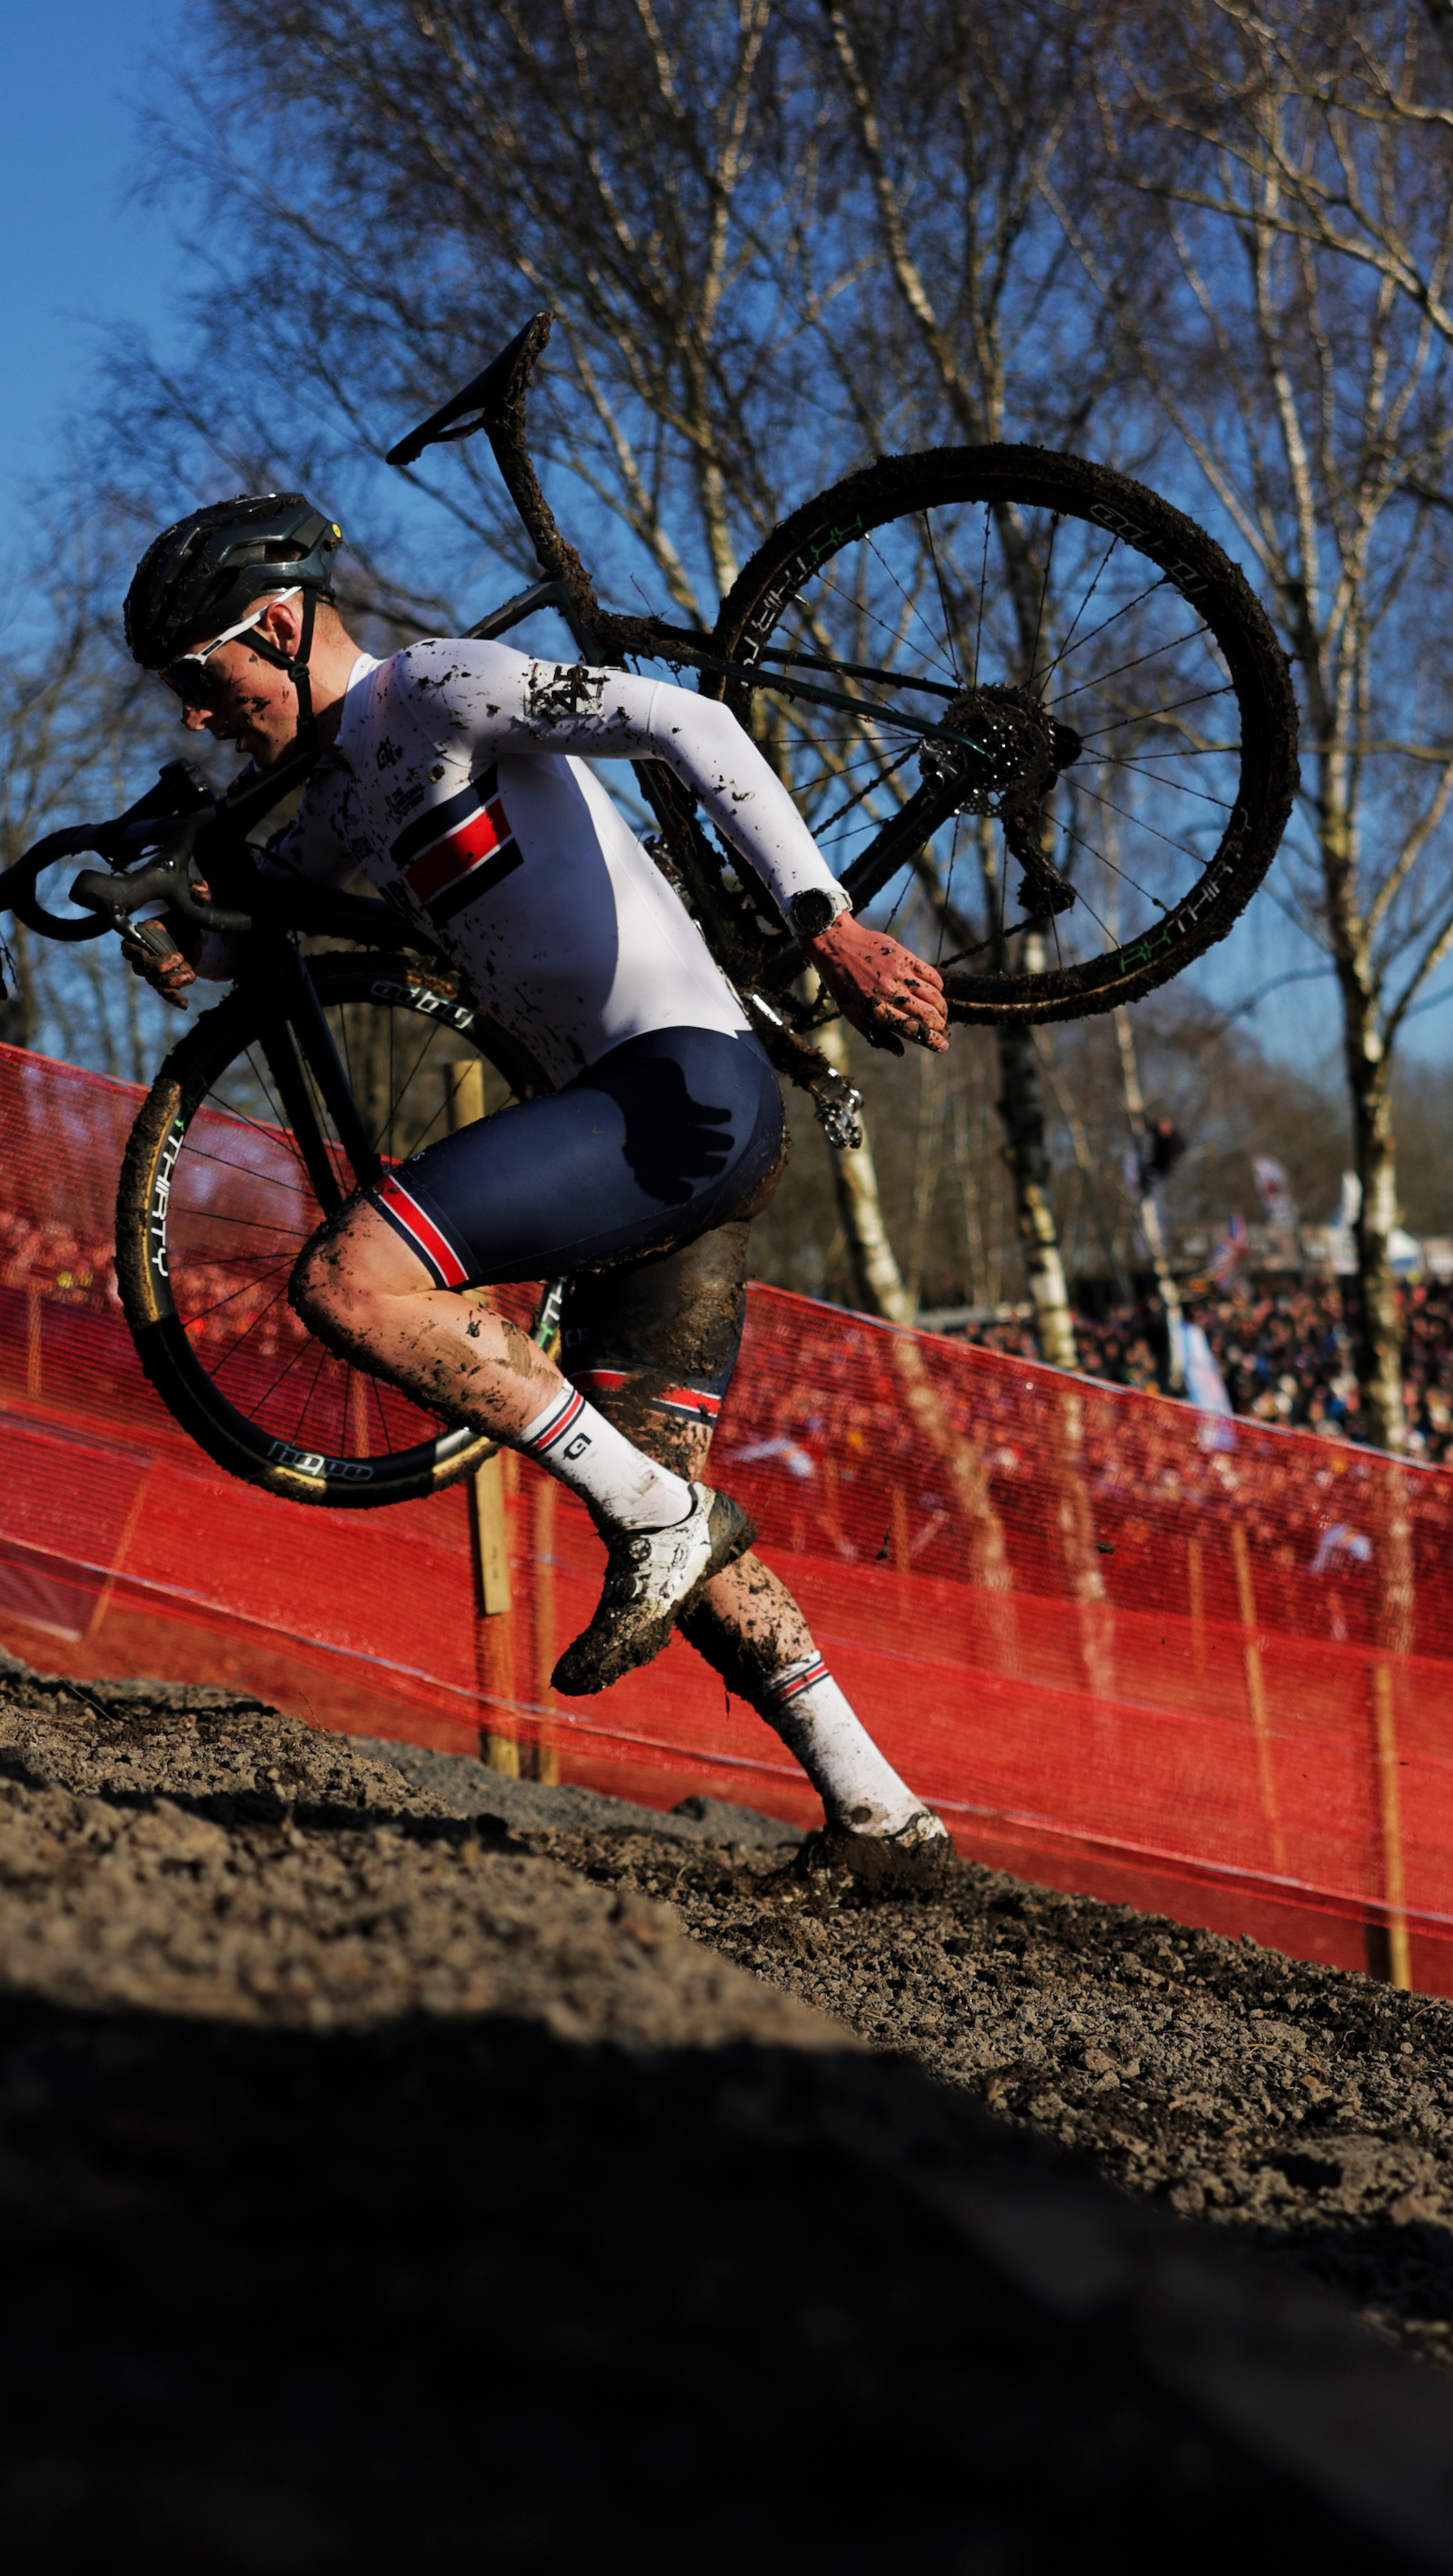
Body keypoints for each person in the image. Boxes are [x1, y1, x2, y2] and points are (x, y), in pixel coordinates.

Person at [121, 492, 961, 1875]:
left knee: (349, 1281)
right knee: (662, 1506)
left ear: (276, 627)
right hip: (653, 1141)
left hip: (682, 1092)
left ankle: (656, 1513)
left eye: (204, 682)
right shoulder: (347, 794)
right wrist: (177, 940)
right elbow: (239, 927)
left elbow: (691, 725)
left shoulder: (439, 689)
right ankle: (879, 1808)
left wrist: (832, 927)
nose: (199, 720)